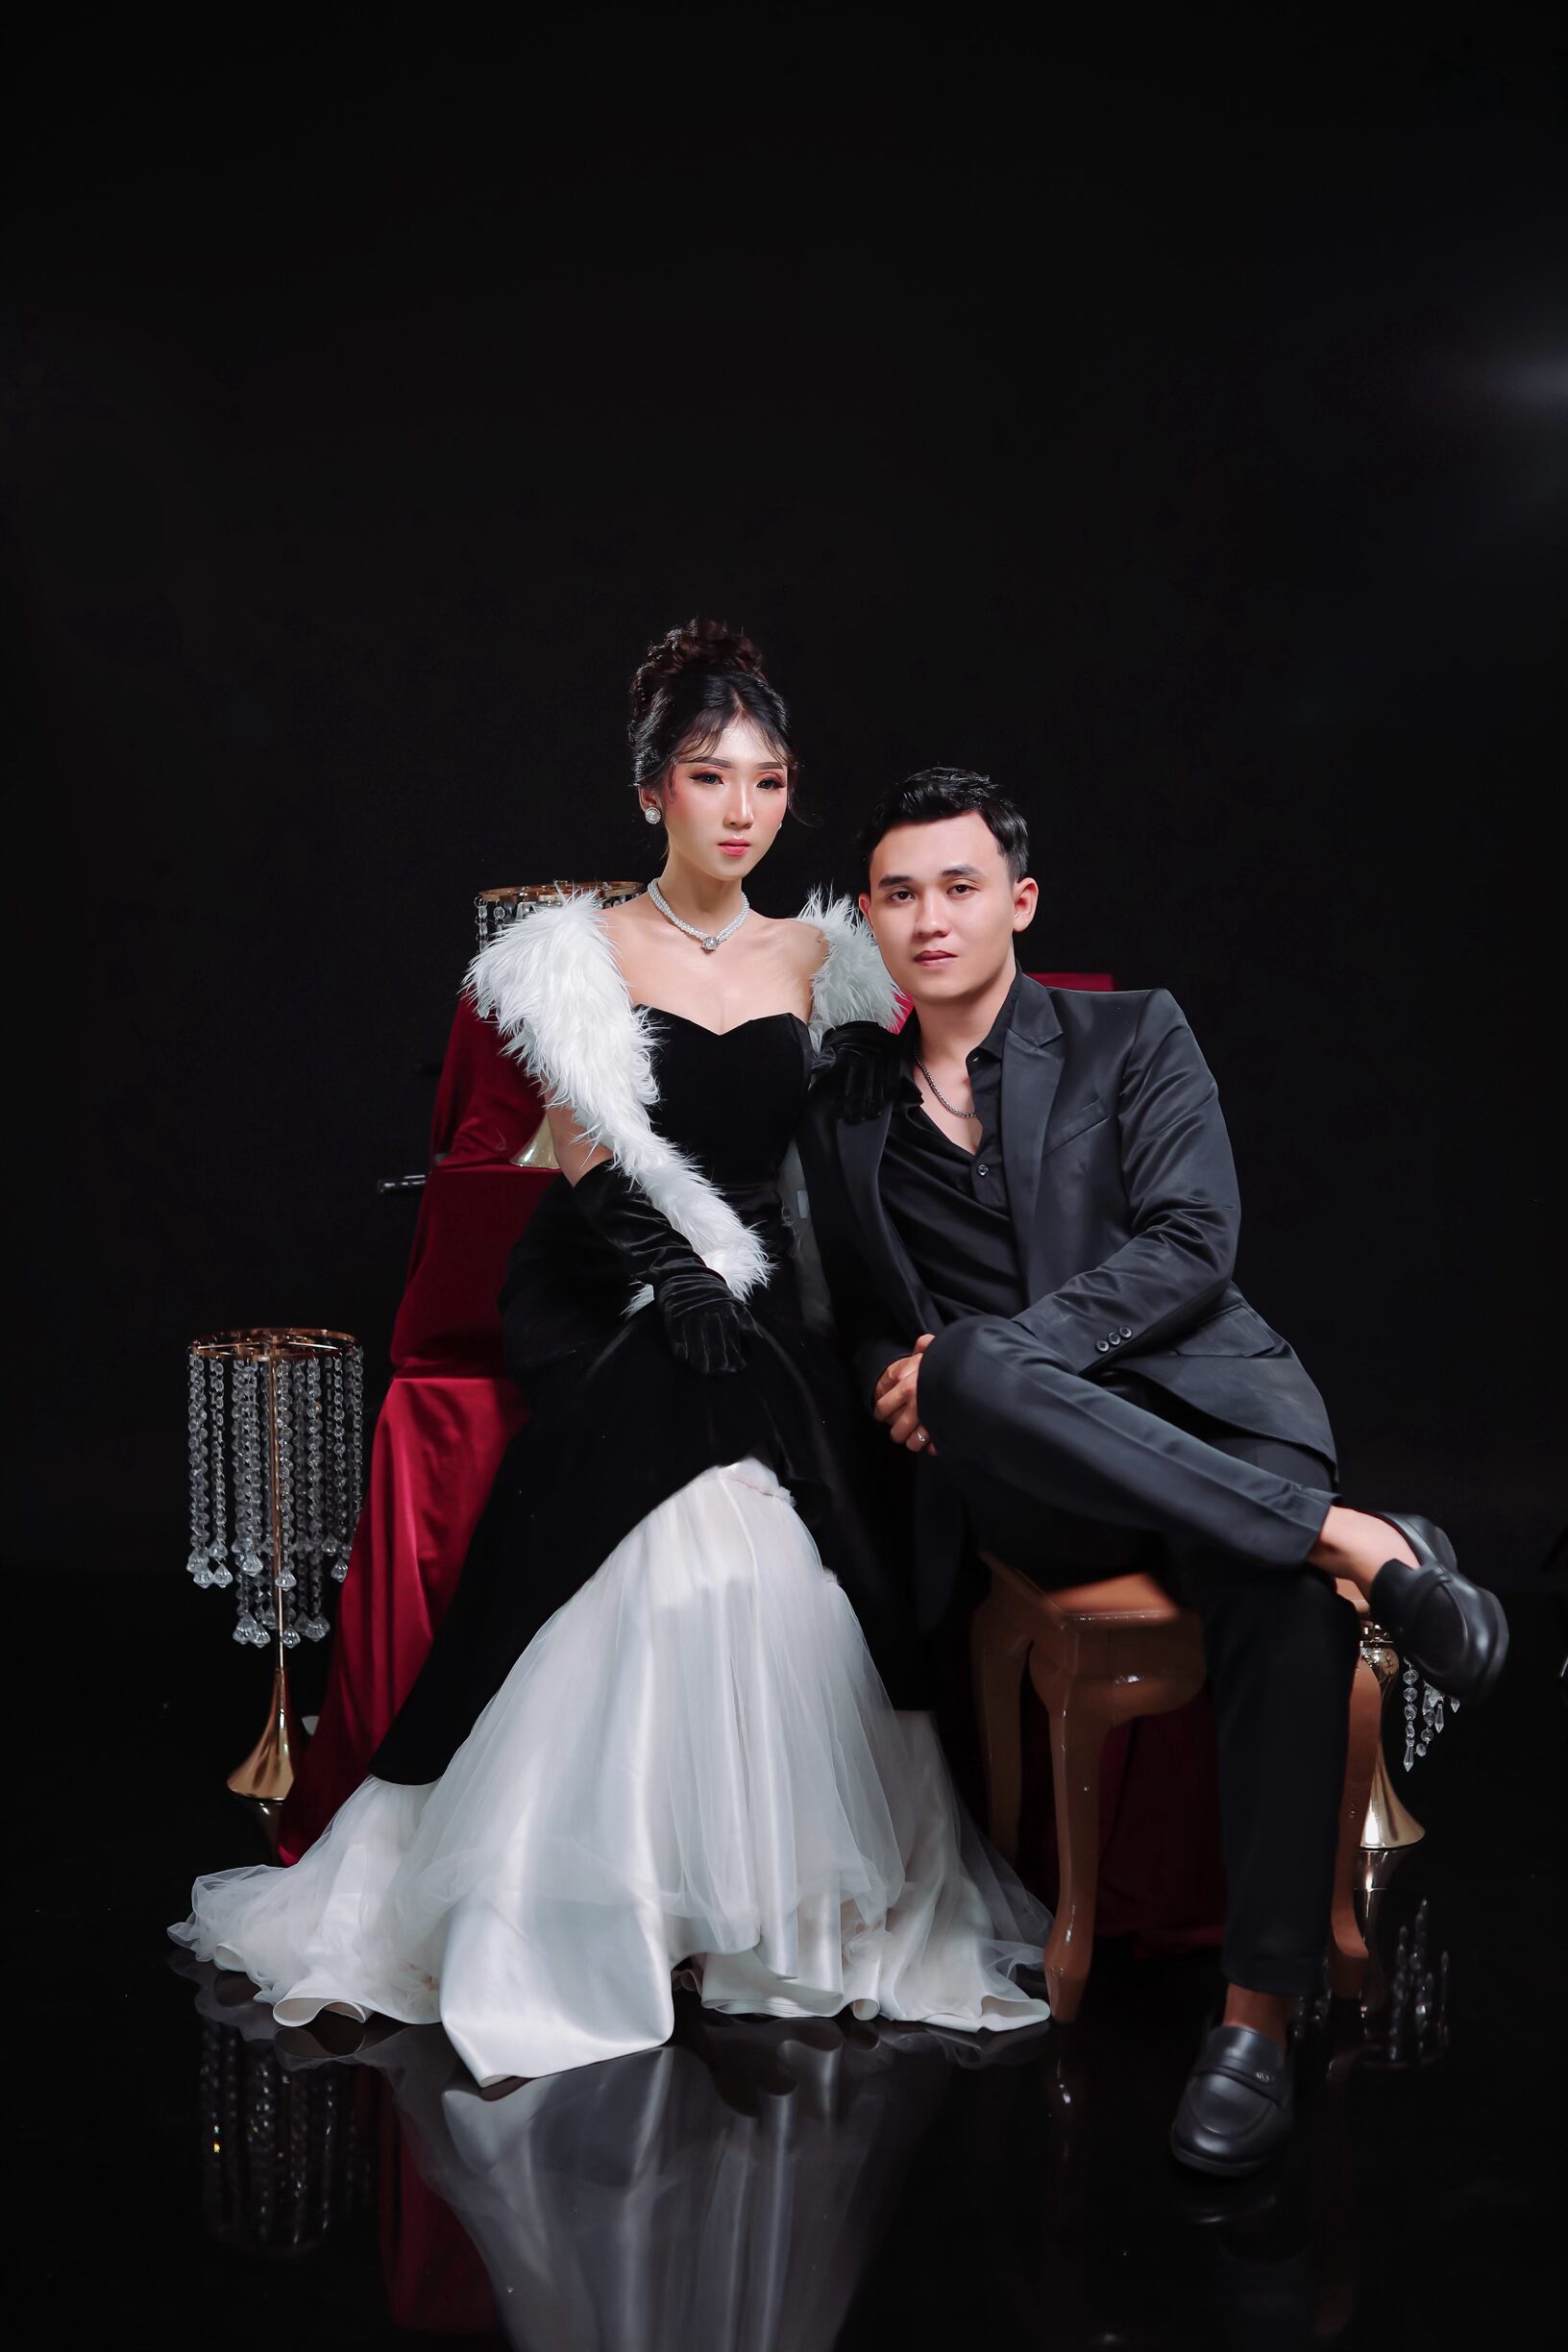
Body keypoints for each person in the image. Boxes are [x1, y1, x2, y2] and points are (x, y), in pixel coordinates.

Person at [174, 625, 1049, 2081]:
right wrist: (670, 1275)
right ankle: (570, 1902)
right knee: (671, 1438)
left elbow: (855, 1158)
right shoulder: (572, 951)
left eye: (768, 780)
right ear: (652, 791)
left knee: (756, 1492)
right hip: (606, 1269)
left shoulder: (829, 956)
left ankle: (763, 1903)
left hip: (766, 1279)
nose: (741, 808)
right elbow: (585, 1149)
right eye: (710, 777)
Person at [796, 766, 1508, 2177]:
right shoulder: (849, 1104)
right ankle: (1359, 1541)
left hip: (1220, 1411)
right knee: (969, 1372)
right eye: (899, 893)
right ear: (868, 919)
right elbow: (864, 1309)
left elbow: (1192, 1243)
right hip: (1043, 1485)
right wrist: (902, 1377)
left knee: (1274, 1600)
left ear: (1020, 901)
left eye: (959, 886)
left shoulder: (1132, 1034)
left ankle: (1253, 2023)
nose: (931, 918)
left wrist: (1003, 1360)